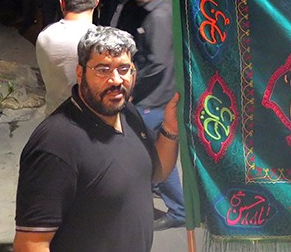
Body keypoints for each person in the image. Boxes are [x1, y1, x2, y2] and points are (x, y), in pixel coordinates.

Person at [14, 26, 180, 252]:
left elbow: (156, 172)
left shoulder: (127, 113)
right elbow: (31, 245)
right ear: (81, 73)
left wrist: (170, 128)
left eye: (123, 69)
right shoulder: (55, 144)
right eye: (103, 69)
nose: (115, 80)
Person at [129, 0, 186, 230]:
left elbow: (159, 62)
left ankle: (180, 210)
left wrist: (133, 85)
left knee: (159, 155)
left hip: (155, 98)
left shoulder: (160, 16)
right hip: (157, 96)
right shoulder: (161, 10)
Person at [35, 0, 98, 116]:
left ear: (62, 3)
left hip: (54, 116)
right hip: (90, 122)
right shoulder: (101, 40)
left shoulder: (45, 36)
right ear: (96, 1)